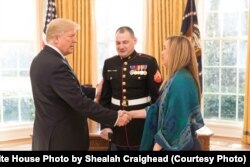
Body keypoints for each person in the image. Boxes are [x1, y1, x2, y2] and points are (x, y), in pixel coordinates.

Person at [30, 18, 131, 151]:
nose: (75, 40)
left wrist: (96, 92)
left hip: (48, 137)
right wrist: (115, 117)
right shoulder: (55, 64)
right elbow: (79, 102)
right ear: (56, 38)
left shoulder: (42, 59)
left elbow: (68, 89)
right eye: (71, 36)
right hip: (61, 141)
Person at [128, 35, 205, 151]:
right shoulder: (177, 77)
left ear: (175, 53)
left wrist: (157, 147)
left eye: (164, 48)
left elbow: (177, 121)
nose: (161, 52)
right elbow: (157, 109)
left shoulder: (181, 80)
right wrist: (131, 114)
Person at [99, 26, 162, 151]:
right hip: (116, 126)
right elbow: (105, 99)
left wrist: (157, 126)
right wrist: (105, 126)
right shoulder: (109, 63)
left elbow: (157, 98)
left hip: (141, 127)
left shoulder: (148, 62)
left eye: (125, 42)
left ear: (135, 41)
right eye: (118, 43)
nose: (121, 46)